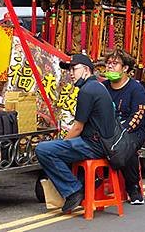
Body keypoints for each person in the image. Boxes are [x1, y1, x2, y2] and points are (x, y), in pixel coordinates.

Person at [35, 54, 116, 213]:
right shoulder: (99, 86)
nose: (71, 73)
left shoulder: (87, 90)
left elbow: (78, 127)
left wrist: (63, 142)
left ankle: (74, 190)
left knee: (43, 149)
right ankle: (86, 183)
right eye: (69, 70)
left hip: (94, 145)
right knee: (59, 147)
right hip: (104, 143)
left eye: (74, 69)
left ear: (86, 70)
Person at [102, 49, 145, 205]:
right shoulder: (103, 87)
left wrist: (121, 133)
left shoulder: (136, 89)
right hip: (107, 131)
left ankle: (133, 186)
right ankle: (92, 182)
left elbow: (138, 116)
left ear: (125, 68)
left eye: (115, 64)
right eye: (108, 63)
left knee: (125, 145)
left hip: (132, 131)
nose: (109, 67)